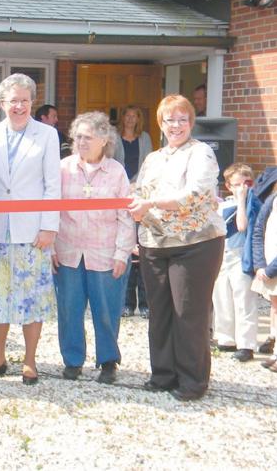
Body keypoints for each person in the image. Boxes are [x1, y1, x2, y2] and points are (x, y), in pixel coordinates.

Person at [128, 94, 225, 402]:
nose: (176, 125)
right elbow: (138, 191)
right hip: (154, 244)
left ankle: (192, 381)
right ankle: (163, 375)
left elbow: (194, 195)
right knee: (160, 313)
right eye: (170, 119)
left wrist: (150, 204)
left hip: (195, 244)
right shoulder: (153, 158)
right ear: (161, 123)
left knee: (188, 314)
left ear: (191, 123)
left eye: (183, 119)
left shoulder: (201, 153)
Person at [0, 74, 60, 385]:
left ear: (32, 102)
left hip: (33, 230)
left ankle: (30, 361)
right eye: (13, 101)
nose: (19, 106)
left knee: (31, 298)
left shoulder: (47, 135)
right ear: (2, 103)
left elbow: (53, 184)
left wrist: (49, 227)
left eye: (25, 100)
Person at [52, 111, 134, 384]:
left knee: (106, 310)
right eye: (78, 137)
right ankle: (73, 360)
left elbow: (125, 216)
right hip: (68, 251)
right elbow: (51, 209)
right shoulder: (63, 168)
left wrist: (122, 253)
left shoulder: (116, 172)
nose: (81, 142)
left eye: (88, 137)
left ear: (104, 139)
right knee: (69, 309)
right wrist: (50, 247)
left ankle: (108, 361)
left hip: (105, 252)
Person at [211, 164, 262, 362]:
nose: (243, 188)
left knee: (244, 300)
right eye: (237, 184)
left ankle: (246, 344)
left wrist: (242, 200)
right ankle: (226, 338)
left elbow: (242, 226)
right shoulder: (223, 205)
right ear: (228, 186)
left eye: (247, 183)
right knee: (221, 297)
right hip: (223, 253)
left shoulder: (253, 204)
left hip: (241, 254)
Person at [114, 105, 153, 319]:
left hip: (140, 192)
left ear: (138, 119)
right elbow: (112, 162)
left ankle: (145, 304)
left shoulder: (145, 138)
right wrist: (123, 184)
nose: (130, 119)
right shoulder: (114, 137)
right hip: (118, 192)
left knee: (142, 250)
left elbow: (148, 164)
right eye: (127, 116)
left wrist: (136, 184)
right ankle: (127, 303)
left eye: (134, 116)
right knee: (126, 249)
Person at [251, 166, 277, 367]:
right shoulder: (272, 200)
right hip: (268, 267)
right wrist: (260, 264)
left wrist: (271, 269)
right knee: (275, 309)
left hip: (273, 268)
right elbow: (258, 230)